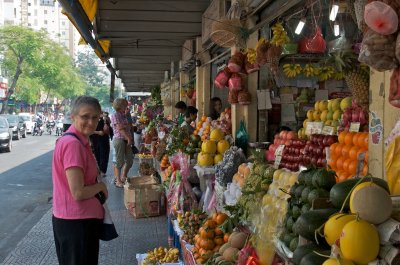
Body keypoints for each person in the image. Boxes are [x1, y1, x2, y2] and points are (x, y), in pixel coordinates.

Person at [52, 96, 108, 265]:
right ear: (73, 116)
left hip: (77, 221)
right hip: (76, 223)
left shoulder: (78, 140)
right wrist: (100, 187)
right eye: (85, 116)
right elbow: (78, 192)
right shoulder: (73, 145)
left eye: (95, 117)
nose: (91, 122)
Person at [111, 98, 134, 187]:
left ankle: (124, 176)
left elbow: (129, 126)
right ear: (120, 105)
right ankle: (118, 180)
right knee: (119, 161)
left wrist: (126, 124)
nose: (127, 106)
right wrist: (128, 138)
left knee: (129, 160)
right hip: (120, 139)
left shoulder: (123, 115)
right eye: (125, 104)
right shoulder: (115, 115)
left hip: (126, 139)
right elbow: (120, 128)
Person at [90, 112, 111, 177]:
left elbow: (108, 130)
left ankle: (102, 171)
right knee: (96, 154)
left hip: (104, 139)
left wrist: (106, 120)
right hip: (95, 138)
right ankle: (98, 169)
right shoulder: (92, 119)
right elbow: (88, 130)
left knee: (104, 154)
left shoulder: (105, 119)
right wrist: (98, 132)